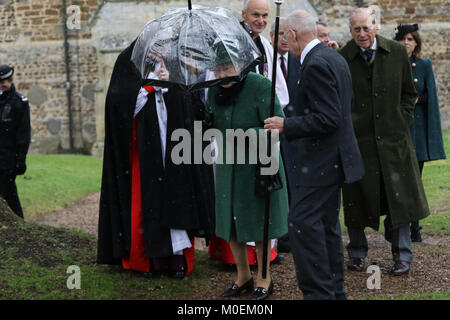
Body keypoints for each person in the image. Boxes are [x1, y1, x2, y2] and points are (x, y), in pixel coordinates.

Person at [264, 10, 364, 300]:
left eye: (285, 37)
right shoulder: (332, 57)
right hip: (334, 159)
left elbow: (330, 117)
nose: (285, 43)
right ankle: (334, 290)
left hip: (322, 162)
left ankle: (319, 292)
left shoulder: (317, 63)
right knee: (325, 225)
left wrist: (286, 125)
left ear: (294, 34)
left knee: (302, 224)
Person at [97, 40, 215, 278]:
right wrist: (150, 86)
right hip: (144, 150)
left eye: (163, 47)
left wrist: (172, 86)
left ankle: (177, 259)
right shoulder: (129, 63)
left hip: (174, 149)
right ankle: (147, 260)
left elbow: (190, 104)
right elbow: (119, 104)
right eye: (155, 46)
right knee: (145, 203)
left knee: (177, 201)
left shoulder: (175, 65)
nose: (159, 52)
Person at [339, 8, 430, 276]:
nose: (362, 34)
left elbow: (408, 94)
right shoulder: (344, 57)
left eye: (366, 28)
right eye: (356, 29)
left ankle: (402, 255)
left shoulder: (397, 52)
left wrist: (400, 121)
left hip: (394, 142)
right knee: (356, 198)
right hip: (359, 143)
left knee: (398, 199)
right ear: (350, 30)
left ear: (376, 27)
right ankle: (356, 253)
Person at [205, 42, 289, 300]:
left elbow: (276, 128)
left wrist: (245, 135)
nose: (222, 75)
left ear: (241, 64)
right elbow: (210, 123)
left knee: (260, 221)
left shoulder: (261, 85)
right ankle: (243, 276)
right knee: (232, 221)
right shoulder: (213, 90)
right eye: (217, 70)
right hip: (229, 165)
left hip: (259, 164)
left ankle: (264, 278)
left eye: (227, 68)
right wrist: (201, 120)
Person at [394, 24, 446, 242]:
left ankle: (415, 229)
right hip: (395, 131)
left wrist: (414, 99)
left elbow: (429, 96)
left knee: (415, 182)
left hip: (415, 130)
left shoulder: (423, 65)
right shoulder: (390, 64)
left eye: (410, 39)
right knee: (397, 183)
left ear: (416, 43)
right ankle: (397, 229)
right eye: (403, 39)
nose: (406, 43)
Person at [269, 18, 301, 253]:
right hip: (272, 132)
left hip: (295, 133)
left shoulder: (300, 62)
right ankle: (276, 237)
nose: (283, 39)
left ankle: (292, 235)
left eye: (286, 34)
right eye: (278, 34)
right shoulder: (266, 61)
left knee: (295, 185)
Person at [0, 65, 31, 219]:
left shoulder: (19, 103)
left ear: (10, 81)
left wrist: (20, 161)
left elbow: (23, 135)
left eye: (3, 82)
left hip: (7, 160)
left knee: (10, 199)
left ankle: (19, 231)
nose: (1, 85)